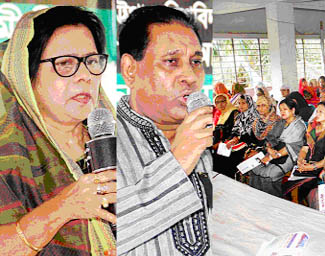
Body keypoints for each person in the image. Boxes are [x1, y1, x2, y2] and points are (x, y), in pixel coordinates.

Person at [0, 6, 116, 255]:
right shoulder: (9, 157)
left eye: (91, 61)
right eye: (65, 64)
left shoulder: (118, 142)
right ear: (27, 75)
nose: (85, 76)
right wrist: (64, 207)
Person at [116, 6, 215, 255]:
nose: (190, 76)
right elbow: (93, 239)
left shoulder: (197, 137)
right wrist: (177, 162)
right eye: (171, 62)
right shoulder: (99, 143)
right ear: (130, 69)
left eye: (195, 62)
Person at [283, 102, 325, 205]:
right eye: (316, 111)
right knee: (286, 186)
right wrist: (300, 160)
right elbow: (305, 148)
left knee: (299, 188)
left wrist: (311, 167)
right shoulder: (313, 130)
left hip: (322, 167)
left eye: (320, 112)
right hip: (308, 166)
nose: (317, 114)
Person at [249, 98, 306, 197]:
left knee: (269, 176)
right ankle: (257, 199)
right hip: (274, 152)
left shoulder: (299, 126)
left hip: (289, 156)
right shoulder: (281, 123)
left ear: (292, 110)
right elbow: (270, 138)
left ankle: (273, 203)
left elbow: (291, 147)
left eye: (285, 109)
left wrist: (272, 156)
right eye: (281, 109)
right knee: (255, 170)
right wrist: (269, 148)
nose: (282, 112)